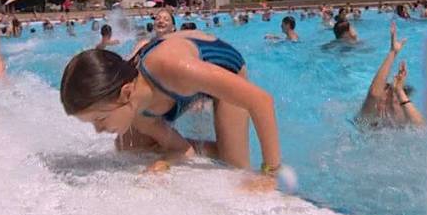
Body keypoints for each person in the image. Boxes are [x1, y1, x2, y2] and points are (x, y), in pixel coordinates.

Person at [59, 30, 282, 172]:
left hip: (222, 65)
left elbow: (261, 101)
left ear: (126, 93)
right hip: (164, 82)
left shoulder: (174, 69)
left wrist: (271, 172)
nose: (98, 130)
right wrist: (167, 160)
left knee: (235, 165)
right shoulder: (135, 111)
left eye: (100, 119)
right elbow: (180, 149)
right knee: (129, 149)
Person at [357, 21, 425, 128]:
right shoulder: (368, 121)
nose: (384, 101)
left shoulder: (404, 122)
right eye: (383, 96)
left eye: (391, 100)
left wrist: (399, 91)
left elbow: (422, 128)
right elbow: (373, 94)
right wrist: (392, 53)